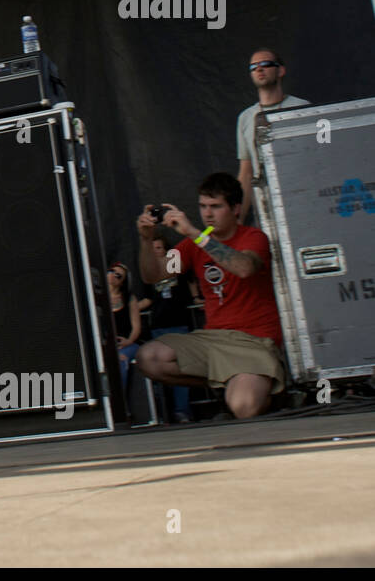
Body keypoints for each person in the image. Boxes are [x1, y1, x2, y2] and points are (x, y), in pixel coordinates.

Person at [135, 172, 287, 419]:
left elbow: (244, 268)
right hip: (213, 339)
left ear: (236, 209)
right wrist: (145, 239)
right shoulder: (193, 244)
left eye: (215, 207)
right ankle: (225, 383)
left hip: (255, 341)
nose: (207, 214)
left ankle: (266, 393)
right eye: (203, 206)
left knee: (243, 407)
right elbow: (155, 275)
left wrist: (195, 233)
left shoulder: (253, 237)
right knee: (149, 357)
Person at [235, 48, 307, 224]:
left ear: (280, 70)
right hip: (266, 205)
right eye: (253, 67)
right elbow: (246, 172)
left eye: (266, 64)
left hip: (302, 198)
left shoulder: (303, 108)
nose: (259, 69)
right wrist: (238, 221)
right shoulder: (245, 118)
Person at [139, 236, 196, 422]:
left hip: (179, 322)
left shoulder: (175, 264)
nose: (156, 250)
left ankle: (183, 411)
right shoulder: (150, 272)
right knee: (160, 369)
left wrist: (196, 298)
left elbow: (191, 280)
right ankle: (164, 413)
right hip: (158, 325)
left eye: (159, 247)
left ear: (165, 249)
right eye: (153, 247)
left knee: (182, 366)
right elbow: (147, 299)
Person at [108, 263, 143, 394]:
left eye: (118, 275)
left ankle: (121, 405)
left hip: (127, 344)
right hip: (107, 346)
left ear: (122, 282)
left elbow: (136, 327)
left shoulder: (129, 299)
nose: (112, 275)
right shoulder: (96, 297)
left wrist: (128, 341)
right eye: (111, 271)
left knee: (120, 362)